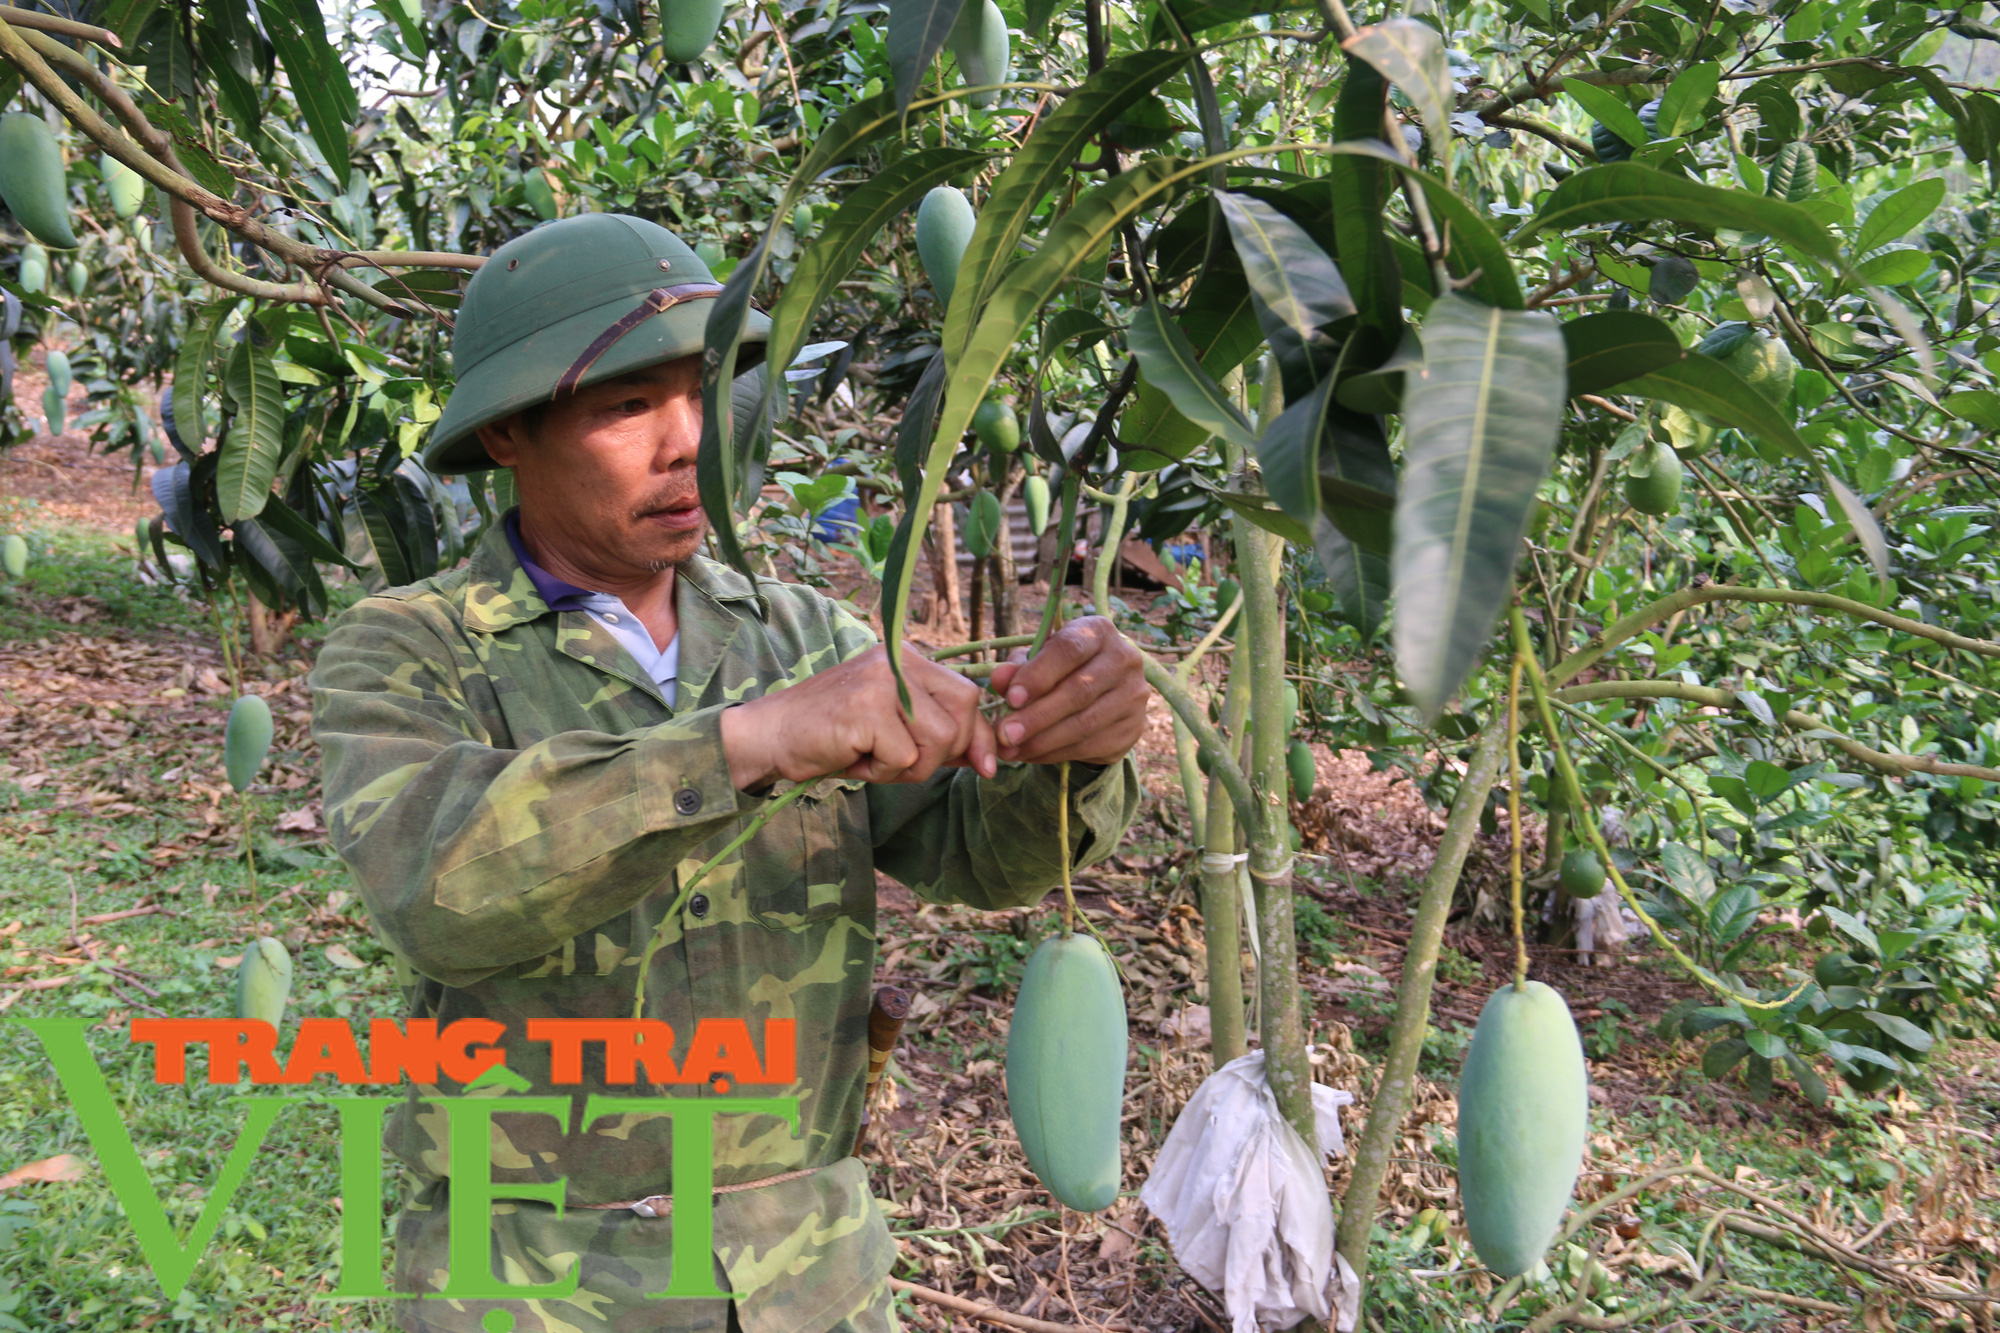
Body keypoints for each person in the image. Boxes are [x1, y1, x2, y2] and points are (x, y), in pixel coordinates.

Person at [308, 213, 1150, 1333]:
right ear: (510, 433)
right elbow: (434, 888)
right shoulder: (412, 646)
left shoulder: (803, 635)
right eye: (627, 407)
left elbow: (970, 854)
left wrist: (1068, 753)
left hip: (803, 1271)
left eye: (703, 399)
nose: (686, 443)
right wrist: (744, 744)